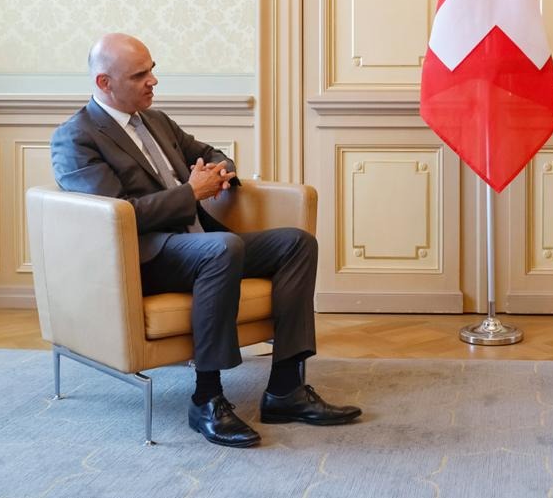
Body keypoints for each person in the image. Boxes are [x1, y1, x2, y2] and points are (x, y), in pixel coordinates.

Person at [50, 33, 361, 448]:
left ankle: (285, 389)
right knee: (223, 248)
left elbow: (212, 153)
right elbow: (118, 216)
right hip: (145, 258)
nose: (153, 81)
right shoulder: (77, 137)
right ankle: (206, 398)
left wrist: (219, 172)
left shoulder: (155, 121)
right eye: (140, 75)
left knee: (297, 243)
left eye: (152, 70)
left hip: (202, 244)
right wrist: (191, 193)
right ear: (104, 83)